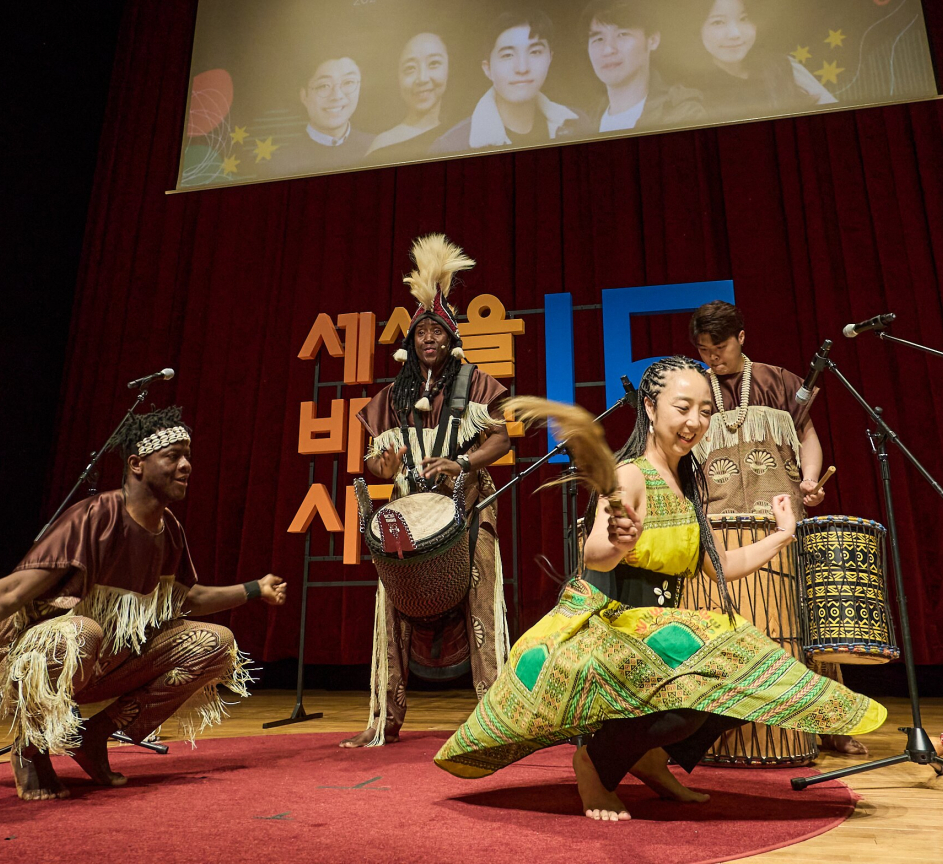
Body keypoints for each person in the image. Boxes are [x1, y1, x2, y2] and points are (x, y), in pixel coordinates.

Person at [434, 358, 886, 821]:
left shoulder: (687, 482)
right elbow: (594, 554)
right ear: (650, 408)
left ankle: (648, 756)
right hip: (606, 627)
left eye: (706, 411)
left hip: (655, 632)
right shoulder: (632, 474)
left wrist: (783, 534)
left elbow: (721, 566)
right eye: (683, 407)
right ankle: (594, 765)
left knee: (751, 680)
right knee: (685, 703)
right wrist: (616, 541)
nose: (695, 422)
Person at [0, 407, 287, 800]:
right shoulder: (94, 517)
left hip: (106, 664)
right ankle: (30, 746)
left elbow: (190, 599)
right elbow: (8, 593)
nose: (186, 465)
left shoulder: (168, 530)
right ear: (137, 464)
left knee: (214, 642)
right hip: (44, 659)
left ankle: (94, 737)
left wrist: (255, 588)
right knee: (83, 630)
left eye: (188, 455)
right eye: (173, 455)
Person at [341, 234, 512, 748]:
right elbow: (376, 461)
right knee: (389, 605)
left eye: (437, 331)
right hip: (408, 511)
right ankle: (383, 719)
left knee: (481, 602)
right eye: (421, 333)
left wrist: (459, 460)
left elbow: (500, 439)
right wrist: (382, 464)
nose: (429, 339)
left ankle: (495, 717)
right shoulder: (394, 395)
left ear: (451, 338)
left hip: (470, 502)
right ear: (411, 343)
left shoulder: (475, 383)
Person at [689, 300, 866, 756]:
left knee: (799, 620)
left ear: (741, 337)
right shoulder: (693, 392)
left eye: (720, 347)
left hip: (780, 515)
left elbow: (807, 436)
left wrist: (809, 479)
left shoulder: (778, 380)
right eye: (705, 349)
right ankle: (723, 731)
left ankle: (827, 723)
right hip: (719, 521)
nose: (713, 357)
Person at [430, 9, 581, 154]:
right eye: (508, 55)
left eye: (535, 52)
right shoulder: (451, 146)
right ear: (487, 68)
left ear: (550, 58)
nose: (522, 68)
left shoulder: (577, 123)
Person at [675, 0, 836, 120]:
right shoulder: (688, 93)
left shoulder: (781, 66)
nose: (735, 34)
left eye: (744, 18)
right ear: (697, 29)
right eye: (718, 22)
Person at [582, 0, 705, 134]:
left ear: (653, 40)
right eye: (598, 39)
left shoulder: (682, 113)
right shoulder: (580, 122)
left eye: (622, 34)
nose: (608, 50)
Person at [276, 51, 375, 176]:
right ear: (304, 96)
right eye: (324, 86)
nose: (337, 96)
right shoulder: (281, 163)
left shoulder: (378, 147)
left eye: (348, 82)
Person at [366, 32, 451, 162]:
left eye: (433, 64)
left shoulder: (464, 133)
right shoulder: (383, 146)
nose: (422, 78)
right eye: (410, 68)